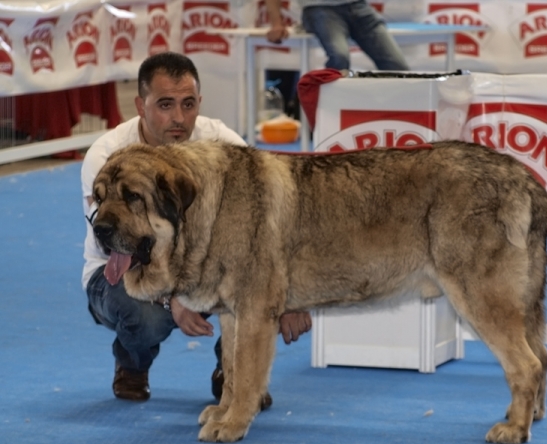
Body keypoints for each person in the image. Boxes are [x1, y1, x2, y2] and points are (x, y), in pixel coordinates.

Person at [81, 52, 311, 407]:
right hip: (122, 269)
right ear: (140, 105)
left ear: (199, 103)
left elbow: (273, 213)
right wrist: (174, 299)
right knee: (144, 320)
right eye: (165, 105)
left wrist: (291, 291)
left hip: (202, 270)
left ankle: (232, 374)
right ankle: (132, 361)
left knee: (256, 281)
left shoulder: (222, 142)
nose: (179, 118)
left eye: (188, 104)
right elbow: (114, 245)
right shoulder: (106, 156)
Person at [264, 0, 409, 71]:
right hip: (320, 8)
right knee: (339, 59)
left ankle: (397, 116)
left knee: (397, 66)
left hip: (359, 6)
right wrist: (276, 23)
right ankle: (329, 115)